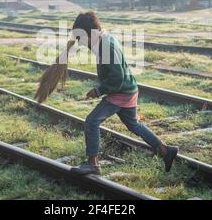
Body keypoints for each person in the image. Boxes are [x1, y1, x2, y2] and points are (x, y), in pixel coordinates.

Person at [69, 12, 179, 175]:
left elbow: (117, 77)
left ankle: (92, 164)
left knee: (92, 121)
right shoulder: (105, 39)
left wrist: (98, 90)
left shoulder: (105, 46)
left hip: (120, 92)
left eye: (82, 38)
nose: (82, 43)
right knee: (134, 125)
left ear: (91, 32)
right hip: (129, 89)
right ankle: (165, 151)